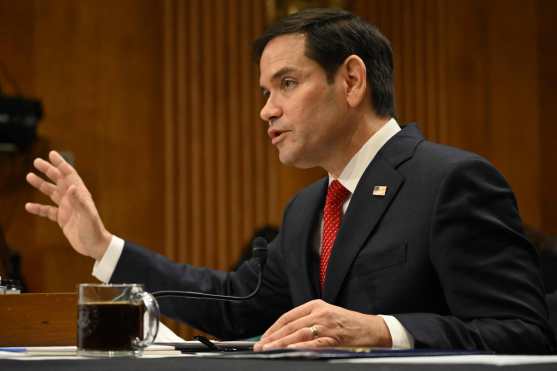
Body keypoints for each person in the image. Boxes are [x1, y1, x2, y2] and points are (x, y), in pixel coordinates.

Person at [25, 8, 555, 353]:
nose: (267, 112)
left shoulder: (452, 181)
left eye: (286, 84)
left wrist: (386, 330)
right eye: (264, 93)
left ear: (350, 80)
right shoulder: (308, 209)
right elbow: (236, 303)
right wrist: (103, 246)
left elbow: (524, 333)